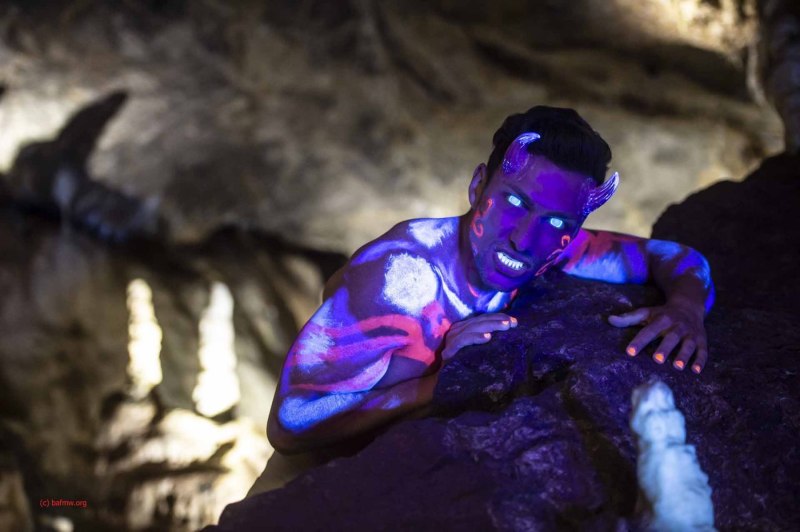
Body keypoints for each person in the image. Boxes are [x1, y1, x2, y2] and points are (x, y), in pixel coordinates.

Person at [265, 106, 714, 456]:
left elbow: (676, 259)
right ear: (478, 185)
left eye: (556, 220)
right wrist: (440, 380)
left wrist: (686, 311)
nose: (523, 238)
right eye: (514, 201)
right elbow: (290, 424)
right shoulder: (404, 278)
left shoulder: (552, 246)